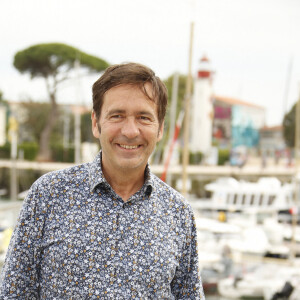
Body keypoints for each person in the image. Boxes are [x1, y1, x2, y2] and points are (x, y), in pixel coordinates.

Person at [0, 63, 205, 299]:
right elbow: (14, 293)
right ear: (96, 123)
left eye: (144, 117)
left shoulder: (178, 213)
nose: (130, 131)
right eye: (117, 116)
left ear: (160, 129)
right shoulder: (47, 195)